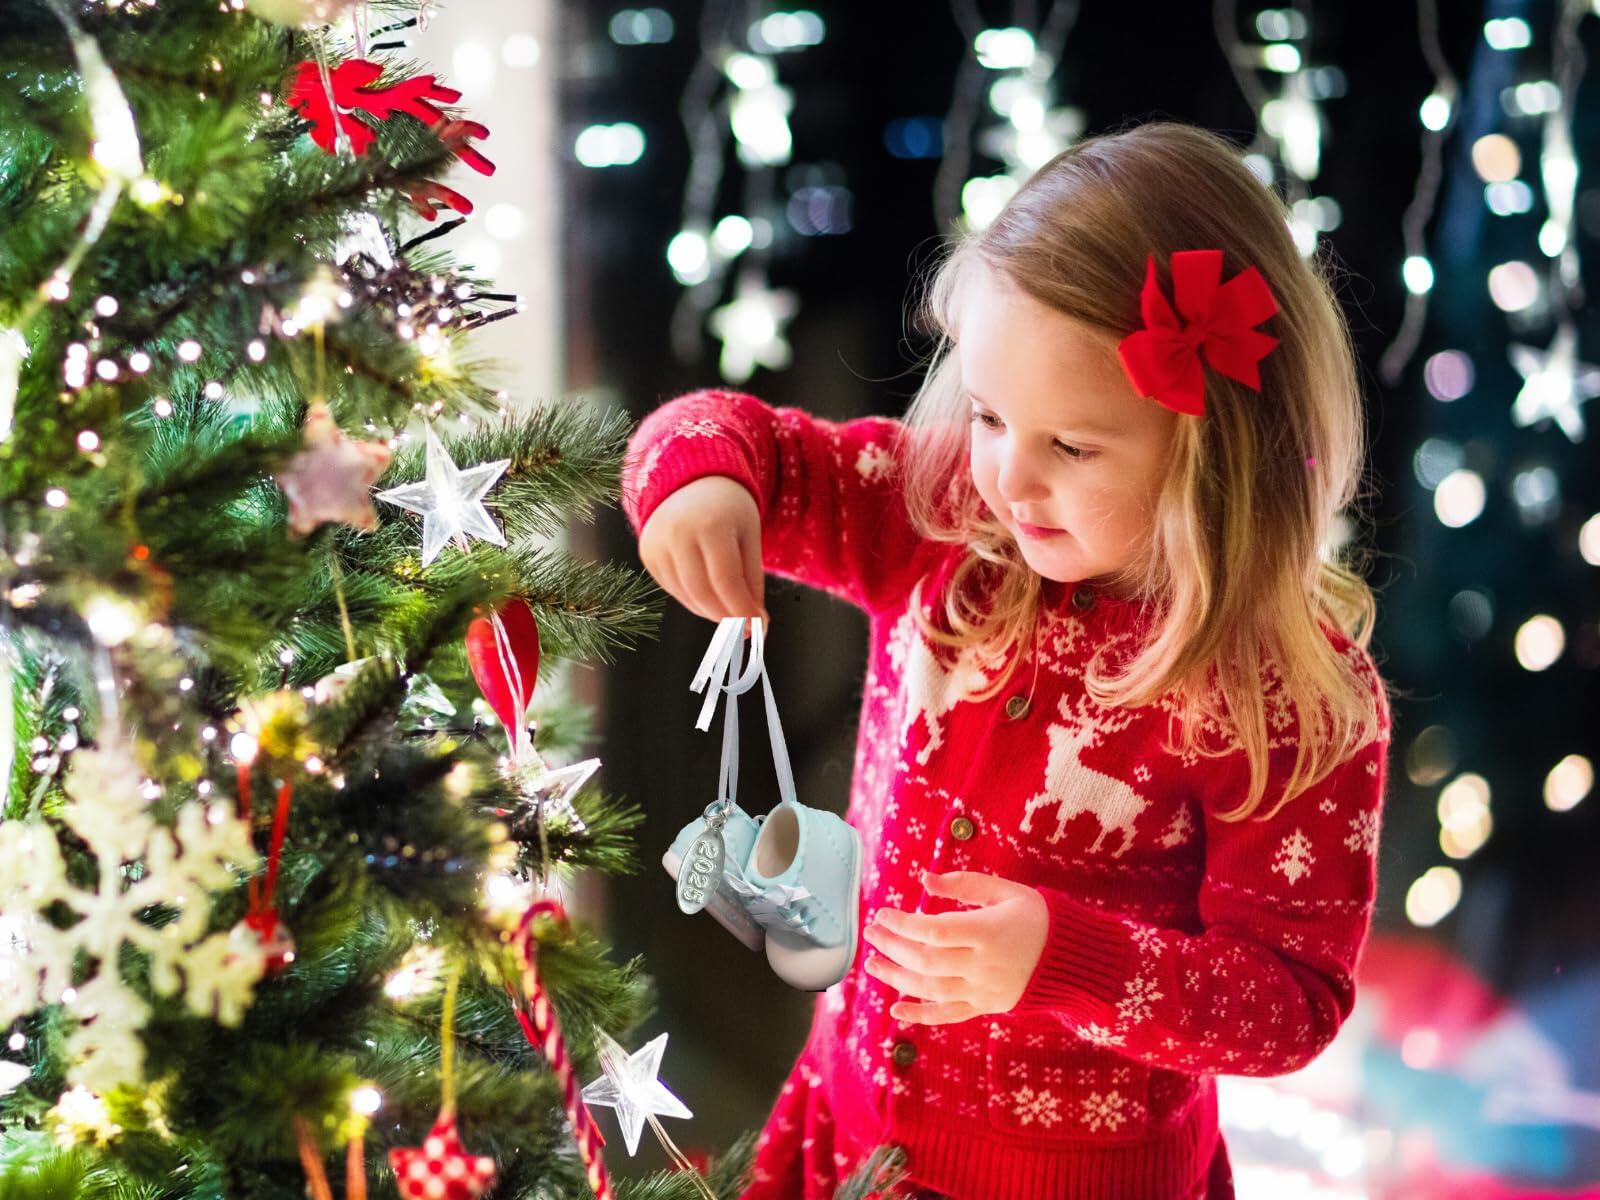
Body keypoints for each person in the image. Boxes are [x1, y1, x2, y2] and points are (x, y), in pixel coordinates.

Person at [620, 121, 1394, 1200]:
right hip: (849, 1126)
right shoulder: (942, 527)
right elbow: (738, 438)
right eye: (987, 416)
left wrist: (1066, 961)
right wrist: (703, 480)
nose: (1007, 480)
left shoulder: (1283, 697)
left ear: (1214, 445)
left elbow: (1290, 1003)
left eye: (1070, 447)